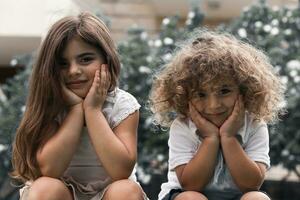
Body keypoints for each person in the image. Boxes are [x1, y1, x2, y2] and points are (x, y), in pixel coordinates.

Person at [11, 12, 147, 200]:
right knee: (44, 188)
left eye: (85, 59)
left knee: (125, 190)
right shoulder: (51, 106)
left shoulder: (122, 105)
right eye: (63, 63)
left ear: (106, 60)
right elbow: (50, 169)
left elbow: (120, 171)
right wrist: (76, 110)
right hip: (63, 193)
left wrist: (92, 111)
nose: (74, 71)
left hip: (109, 193)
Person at [150, 30, 285, 200]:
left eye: (225, 91)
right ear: (185, 96)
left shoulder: (255, 124)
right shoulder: (183, 126)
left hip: (237, 196)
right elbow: (190, 185)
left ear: (245, 90)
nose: (213, 105)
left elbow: (251, 184)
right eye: (200, 94)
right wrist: (210, 139)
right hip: (186, 195)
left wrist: (229, 137)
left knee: (257, 198)